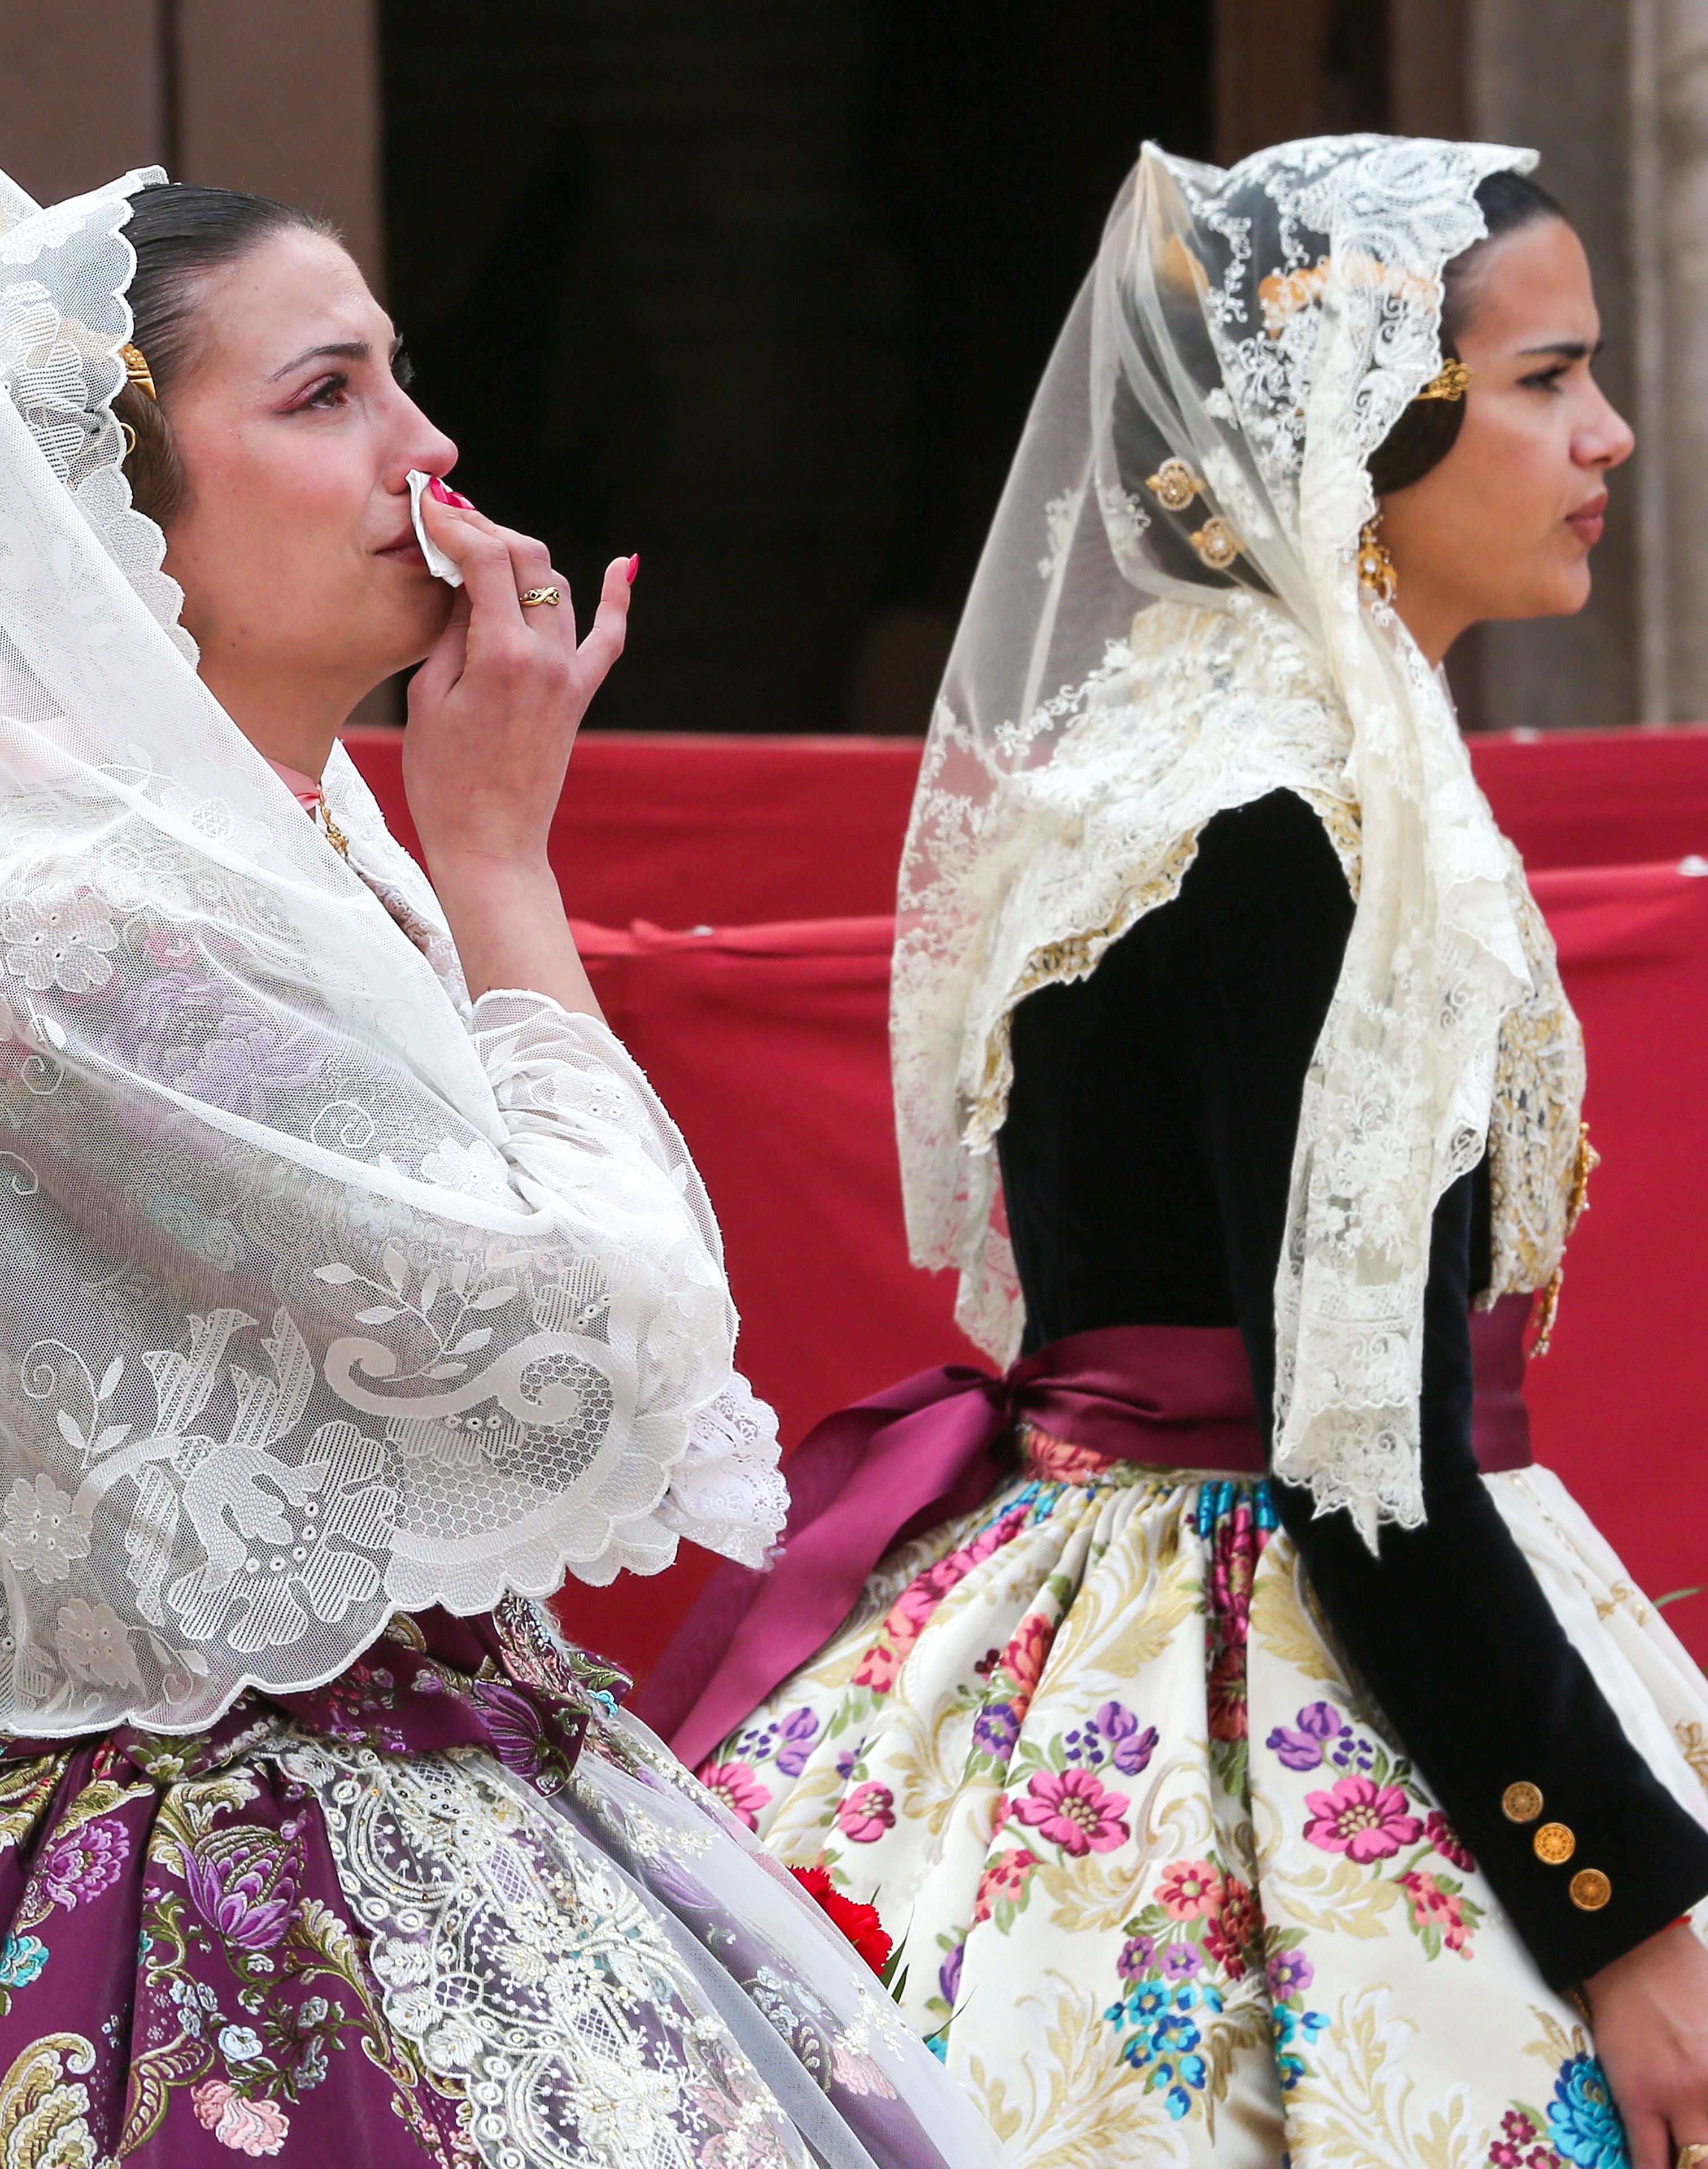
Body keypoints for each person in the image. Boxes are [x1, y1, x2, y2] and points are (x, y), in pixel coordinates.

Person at [0, 121, 1001, 2169]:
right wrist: (502, 861)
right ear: (100, 512)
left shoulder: (293, 832)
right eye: (325, 395)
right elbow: (595, 1346)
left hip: (449, 1774)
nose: (428, 444)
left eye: (395, 373)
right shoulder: (66, 923)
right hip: (204, 1861)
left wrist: (465, 857)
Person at [639, 137, 1708, 2168]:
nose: (1609, 431)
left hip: (1174, 1579)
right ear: (1359, 409)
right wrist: (1618, 1915)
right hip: (1270, 1623)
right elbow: (1356, 1462)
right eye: (1545, 375)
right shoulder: (1282, 817)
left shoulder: (1224, 742)